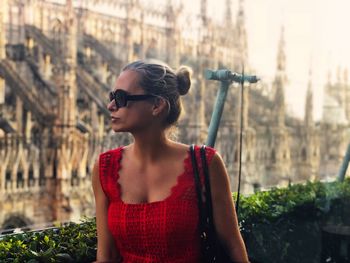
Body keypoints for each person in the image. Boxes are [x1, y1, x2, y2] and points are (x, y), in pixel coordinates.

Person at [92, 60, 249, 263]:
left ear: (157, 105)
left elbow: (233, 245)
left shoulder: (205, 163)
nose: (111, 106)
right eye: (112, 96)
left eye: (121, 98)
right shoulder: (105, 168)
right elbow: (107, 256)